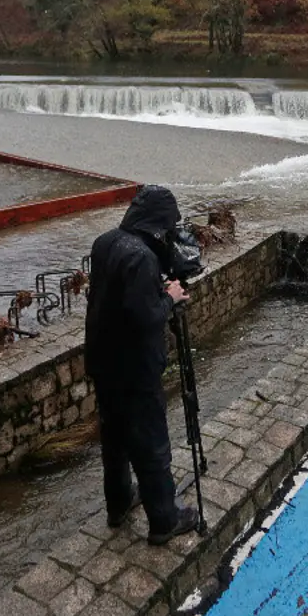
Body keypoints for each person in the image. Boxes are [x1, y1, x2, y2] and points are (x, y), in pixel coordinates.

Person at [85, 185, 199, 545]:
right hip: (134, 370)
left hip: (103, 363)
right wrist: (169, 296)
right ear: (159, 222)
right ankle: (165, 519)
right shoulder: (143, 259)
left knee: (114, 439)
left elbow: (117, 300)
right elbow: (144, 318)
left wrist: (155, 289)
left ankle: (119, 504)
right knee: (150, 444)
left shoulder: (106, 242)